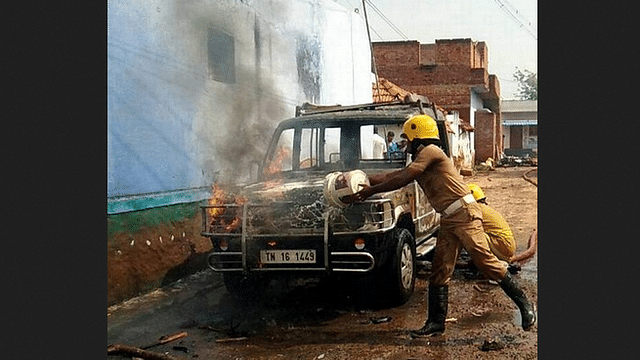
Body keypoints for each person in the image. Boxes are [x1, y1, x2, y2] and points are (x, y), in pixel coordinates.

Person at [344, 114, 536, 336]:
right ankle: (436, 323)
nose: (405, 143)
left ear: (418, 137)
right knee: (440, 269)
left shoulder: (431, 152)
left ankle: (526, 305)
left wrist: (370, 191)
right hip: (448, 217)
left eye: (408, 138)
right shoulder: (420, 159)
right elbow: (396, 174)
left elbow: (404, 178)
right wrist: (361, 180)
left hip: (464, 213)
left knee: (485, 262)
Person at [467, 183, 516, 263]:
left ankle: (485, 262)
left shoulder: (476, 209)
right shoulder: (484, 208)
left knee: (470, 233)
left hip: (503, 246)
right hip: (506, 246)